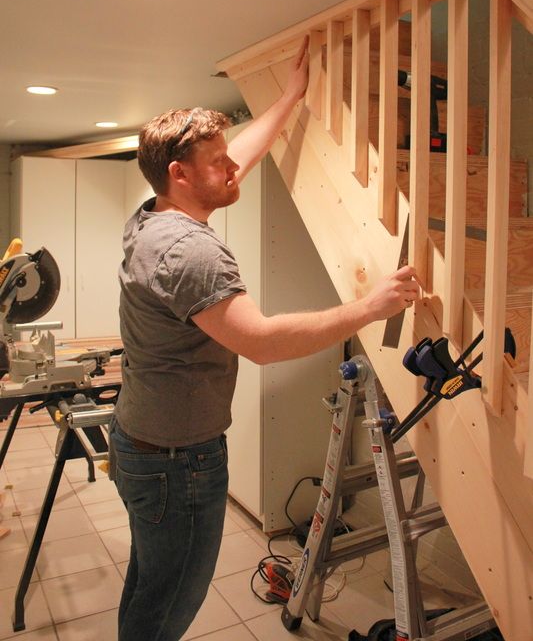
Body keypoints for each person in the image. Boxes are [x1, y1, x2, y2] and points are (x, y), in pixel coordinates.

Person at [109, 38, 420, 641]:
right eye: (217, 161)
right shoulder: (192, 251)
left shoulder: (153, 215)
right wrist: (368, 306)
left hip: (139, 439)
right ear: (180, 174)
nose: (232, 167)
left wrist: (288, 100)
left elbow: (236, 161)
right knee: (170, 599)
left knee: (150, 581)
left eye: (229, 156)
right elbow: (261, 342)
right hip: (178, 463)